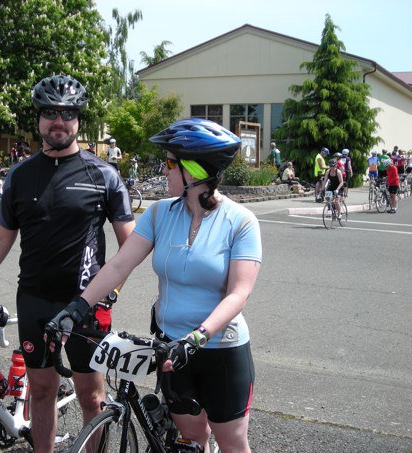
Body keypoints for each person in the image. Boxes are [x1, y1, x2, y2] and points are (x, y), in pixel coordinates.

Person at [48, 118, 262, 452]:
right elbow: (119, 264)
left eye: (170, 164)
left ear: (194, 170)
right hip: (170, 349)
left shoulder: (240, 221)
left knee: (232, 442)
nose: (164, 171)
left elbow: (239, 293)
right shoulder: (160, 214)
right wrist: (76, 308)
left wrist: (195, 339)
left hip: (220, 351)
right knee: (191, 440)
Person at [0, 75, 135, 452]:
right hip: (34, 299)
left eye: (67, 114)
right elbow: (2, 237)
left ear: (78, 119)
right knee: (42, 391)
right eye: (50, 113)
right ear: (38, 119)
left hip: (85, 303)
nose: (58, 122)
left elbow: (130, 245)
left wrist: (111, 292)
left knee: (91, 396)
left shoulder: (104, 175)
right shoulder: (20, 175)